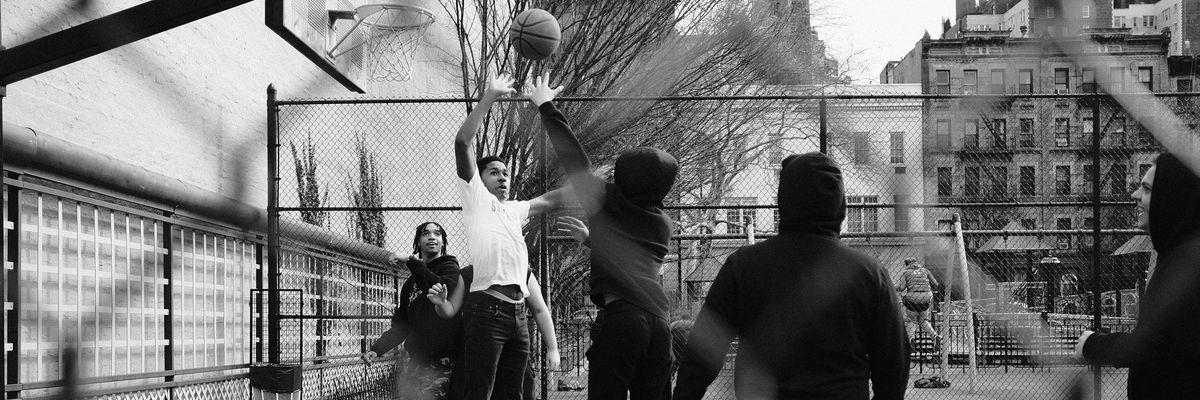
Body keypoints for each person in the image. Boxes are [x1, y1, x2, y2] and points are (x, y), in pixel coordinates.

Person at [673, 152, 908, 400]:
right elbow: (894, 358)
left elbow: (703, 353)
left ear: (784, 201)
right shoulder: (868, 272)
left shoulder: (744, 266)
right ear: (841, 205)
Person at [530, 74, 678, 400]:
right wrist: (591, 240)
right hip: (659, 323)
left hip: (623, 320)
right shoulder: (663, 223)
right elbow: (632, 255)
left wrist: (546, 106)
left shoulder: (606, 200)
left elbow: (575, 162)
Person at [453, 74, 564, 400]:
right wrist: (489, 97)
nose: (503, 177)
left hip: (518, 317)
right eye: (494, 172)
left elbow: (549, 200)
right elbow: (462, 143)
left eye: (505, 173)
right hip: (487, 312)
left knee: (513, 394)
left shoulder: (514, 209)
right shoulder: (476, 200)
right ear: (479, 178)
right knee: (479, 392)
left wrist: (590, 180)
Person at [1074, 153, 1200, 399]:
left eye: (1147, 189)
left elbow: (1155, 346)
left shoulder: (1189, 261)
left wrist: (1094, 345)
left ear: (1171, 200)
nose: (1134, 195)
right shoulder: (1175, 254)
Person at [364, 222, 462, 400]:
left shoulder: (450, 268)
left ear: (443, 242)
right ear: (418, 242)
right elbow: (402, 325)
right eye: (426, 233)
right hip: (415, 362)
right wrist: (378, 349)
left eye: (437, 234)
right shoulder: (410, 284)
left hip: (441, 362)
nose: (432, 237)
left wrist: (411, 261)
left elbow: (436, 288)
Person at [897, 257, 941, 344]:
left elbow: (902, 288)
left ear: (906, 264)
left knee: (912, 320)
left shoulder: (905, 273)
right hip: (927, 296)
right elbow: (936, 284)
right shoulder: (925, 271)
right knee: (923, 320)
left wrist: (894, 287)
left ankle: (911, 338)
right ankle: (934, 336)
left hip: (912, 298)